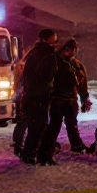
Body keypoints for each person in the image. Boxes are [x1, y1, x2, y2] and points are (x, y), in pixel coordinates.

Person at [38, 39, 90, 164]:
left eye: (72, 49)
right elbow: (46, 80)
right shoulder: (54, 62)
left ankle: (76, 144)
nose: (70, 52)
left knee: (72, 123)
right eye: (68, 49)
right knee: (54, 127)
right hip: (58, 99)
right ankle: (45, 154)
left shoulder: (76, 64)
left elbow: (82, 84)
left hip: (71, 99)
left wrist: (84, 98)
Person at [19, 29, 59, 165]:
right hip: (39, 95)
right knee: (39, 125)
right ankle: (29, 153)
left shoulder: (34, 53)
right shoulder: (47, 54)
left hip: (32, 94)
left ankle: (30, 152)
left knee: (36, 125)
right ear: (48, 39)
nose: (55, 40)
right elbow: (49, 74)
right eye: (53, 38)